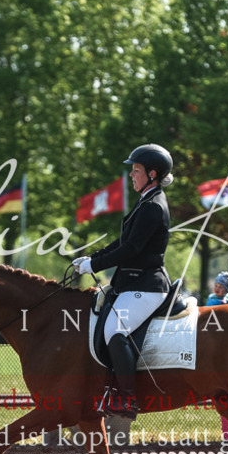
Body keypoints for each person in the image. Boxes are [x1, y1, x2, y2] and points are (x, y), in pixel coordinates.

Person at [72, 143, 174, 420]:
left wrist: (95, 265)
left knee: (115, 330)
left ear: (152, 174)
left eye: (137, 170)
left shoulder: (153, 206)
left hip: (147, 286)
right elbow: (123, 242)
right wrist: (93, 257)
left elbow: (132, 250)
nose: (131, 175)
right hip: (133, 283)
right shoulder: (146, 201)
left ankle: (127, 399)